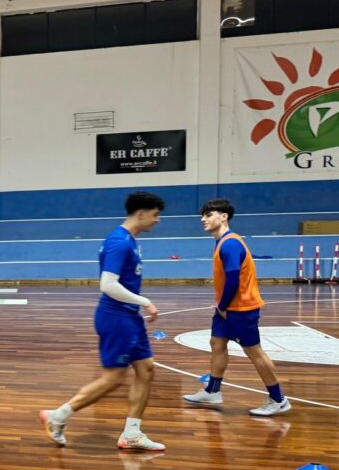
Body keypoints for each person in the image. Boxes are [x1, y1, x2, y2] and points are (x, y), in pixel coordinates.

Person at [39, 191, 167, 451]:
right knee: (114, 378)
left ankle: (132, 433)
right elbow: (107, 285)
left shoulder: (130, 240)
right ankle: (59, 416)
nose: (157, 221)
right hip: (116, 318)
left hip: (130, 318)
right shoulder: (119, 242)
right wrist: (145, 302)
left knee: (146, 369)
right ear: (140, 214)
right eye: (155, 215)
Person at [182, 198, 289, 416]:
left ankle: (278, 399)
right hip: (227, 308)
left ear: (224, 216)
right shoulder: (222, 241)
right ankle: (212, 391)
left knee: (254, 352)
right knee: (217, 343)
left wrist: (222, 305)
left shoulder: (230, 243)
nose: (203, 219)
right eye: (203, 215)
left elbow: (233, 279)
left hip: (240, 309)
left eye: (209, 214)